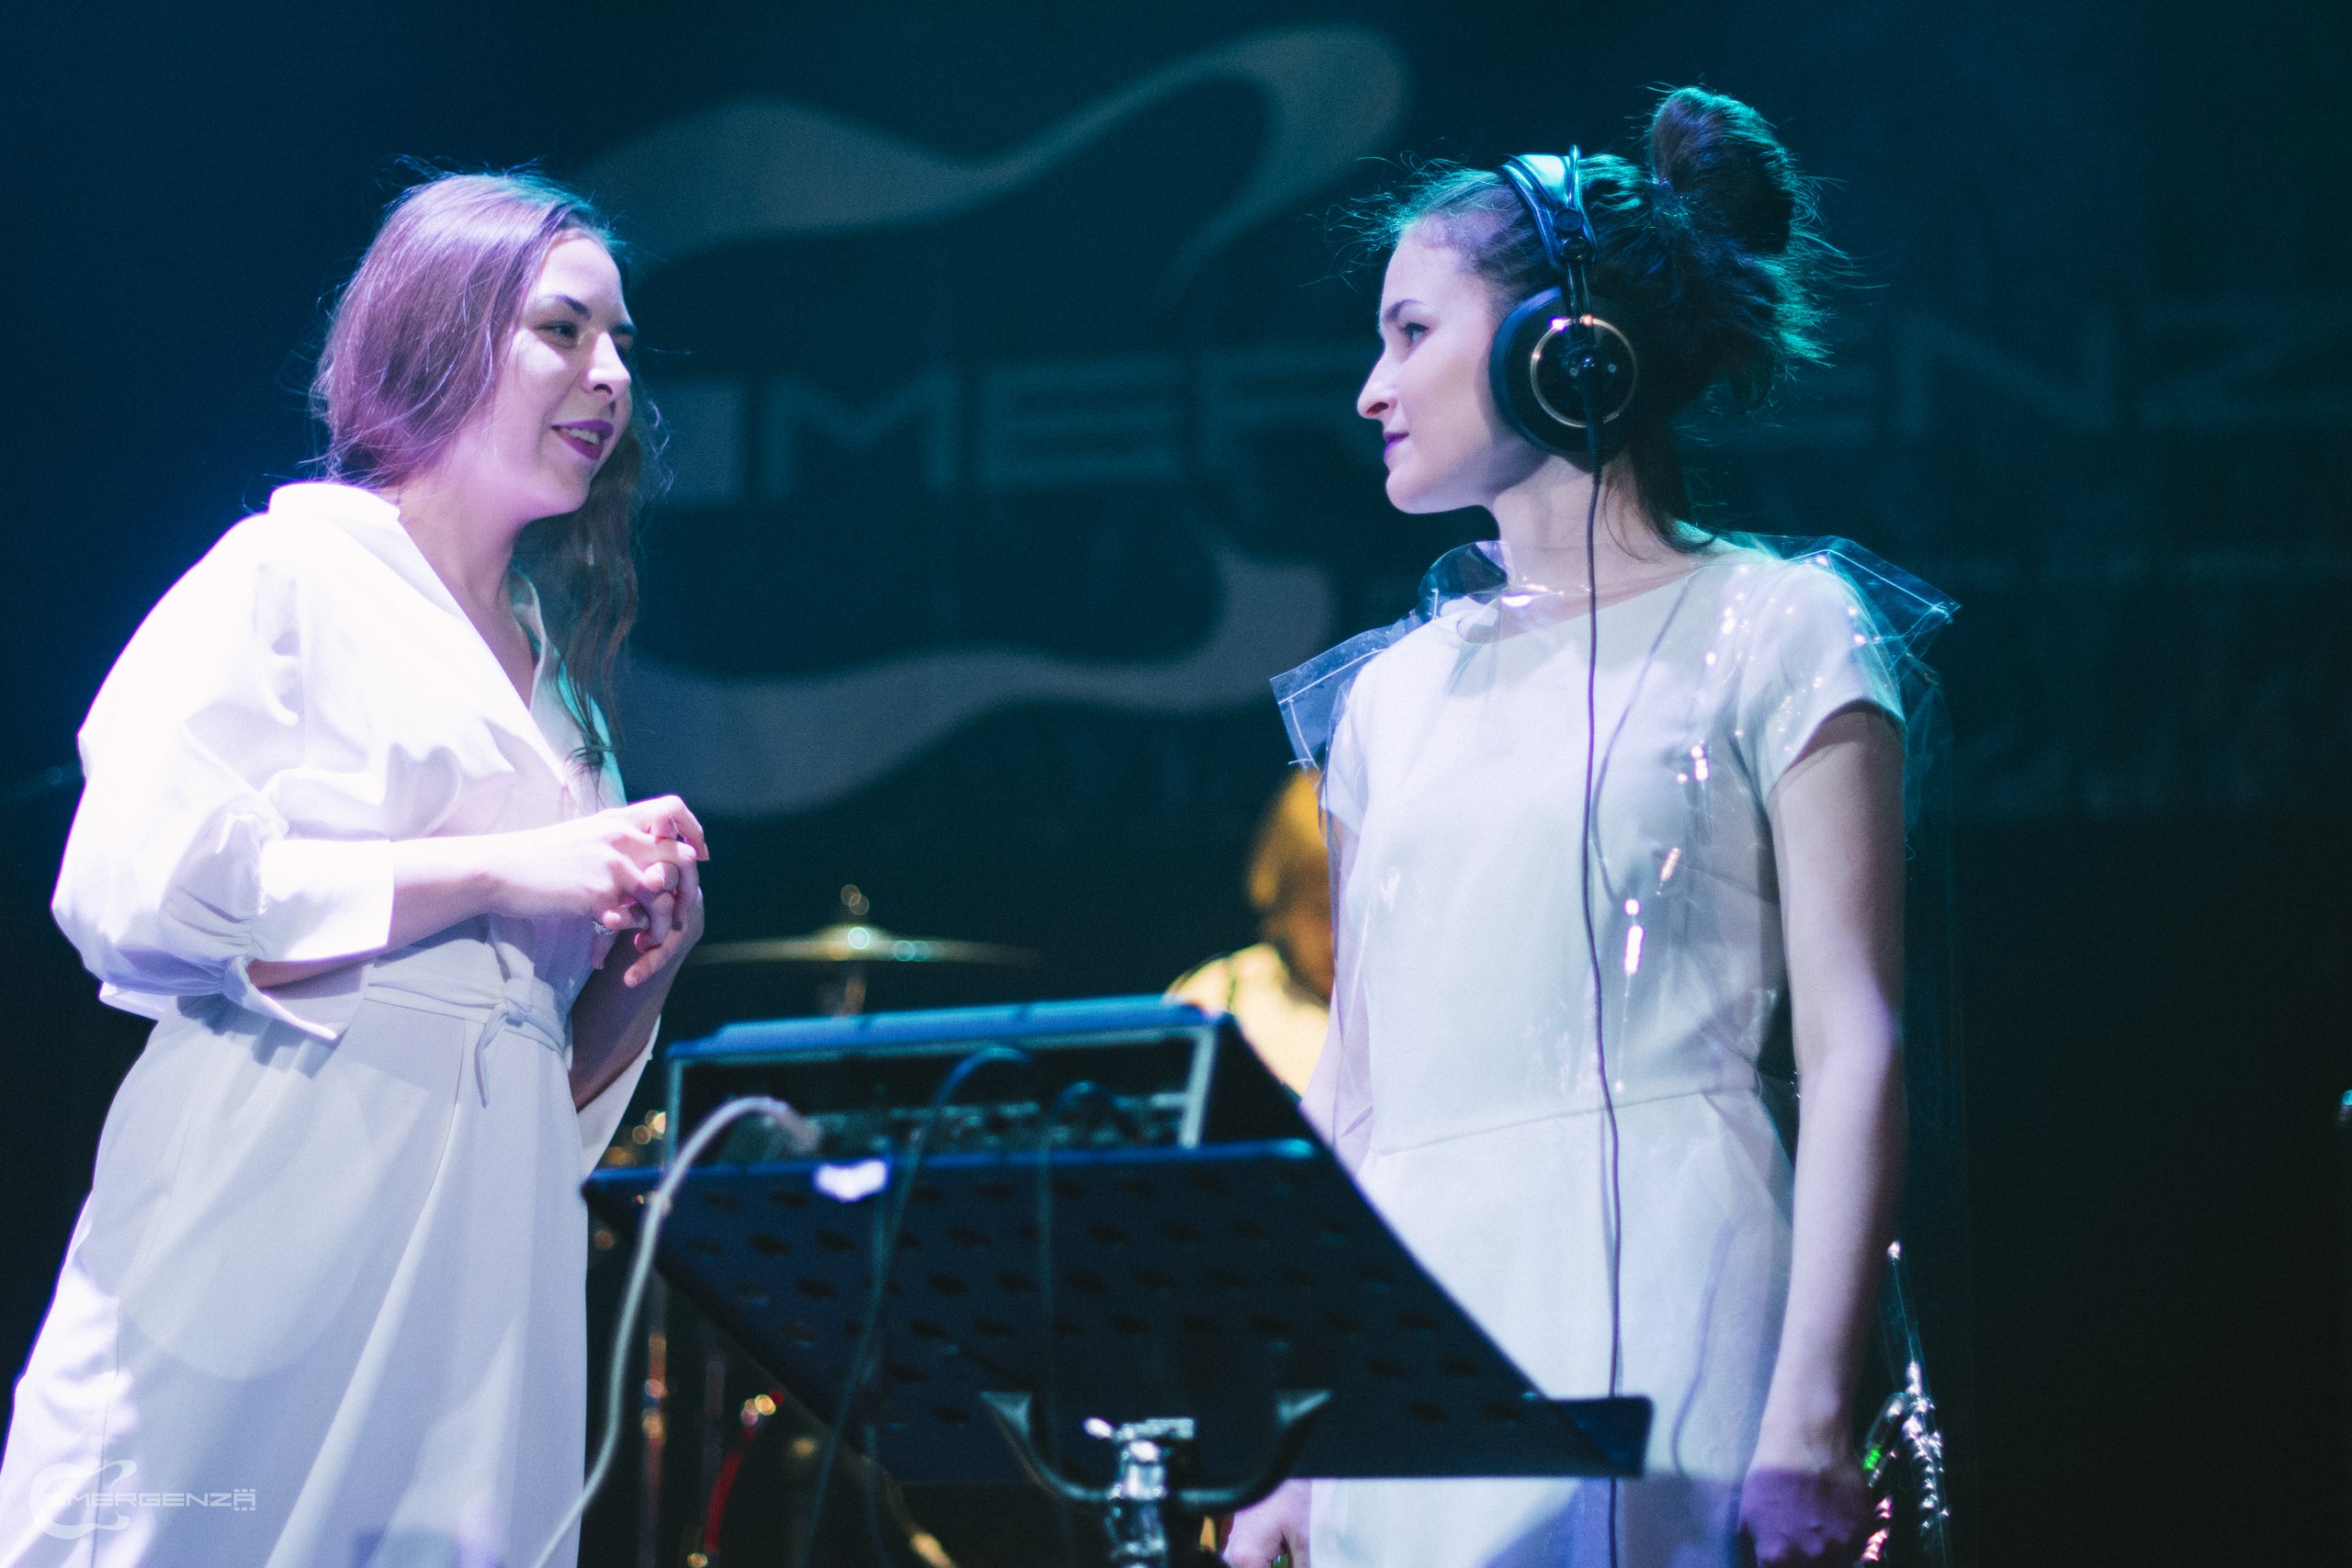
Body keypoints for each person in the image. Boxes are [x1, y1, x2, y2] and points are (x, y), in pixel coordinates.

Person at [1227, 89, 1939, 1568]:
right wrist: (1290, 1438)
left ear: (1558, 343)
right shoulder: (1389, 698)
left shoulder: (1782, 625)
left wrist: (1811, 1409)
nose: (1370, 388)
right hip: (1403, 1323)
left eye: (1410, 331)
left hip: (1676, 1278)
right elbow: (1351, 1089)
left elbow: (1854, 1045)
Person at [0, 172, 707, 1567]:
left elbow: (539, 1072)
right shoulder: (286, 576)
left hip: (481, 1266)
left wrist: (638, 977)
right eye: (564, 329)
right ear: (443, 336)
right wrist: (504, 868)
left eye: (621, 343)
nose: (610, 375)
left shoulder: (561, 696)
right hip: (278, 1200)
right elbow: (135, 882)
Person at [1168, 769, 1334, 1093]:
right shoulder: (1219, 996)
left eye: (1359, 915)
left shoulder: (1423, 1005)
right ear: (1281, 903)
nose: (1339, 941)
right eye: (1322, 910)